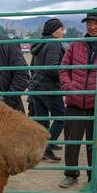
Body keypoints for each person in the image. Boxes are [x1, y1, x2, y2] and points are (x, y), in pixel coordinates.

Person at [58, 10, 97, 188]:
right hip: (75, 103)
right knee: (72, 141)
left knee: (95, 143)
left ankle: (94, 177)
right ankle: (71, 174)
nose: (92, 27)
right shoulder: (75, 46)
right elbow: (63, 69)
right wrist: (69, 87)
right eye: (89, 23)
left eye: (96, 23)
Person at [30, 18, 66, 162]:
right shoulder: (54, 43)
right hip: (49, 87)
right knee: (61, 117)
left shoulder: (40, 43)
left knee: (42, 119)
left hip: (37, 87)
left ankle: (40, 149)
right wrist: (64, 76)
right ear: (54, 30)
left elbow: (32, 66)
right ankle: (47, 147)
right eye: (61, 28)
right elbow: (52, 68)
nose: (63, 31)